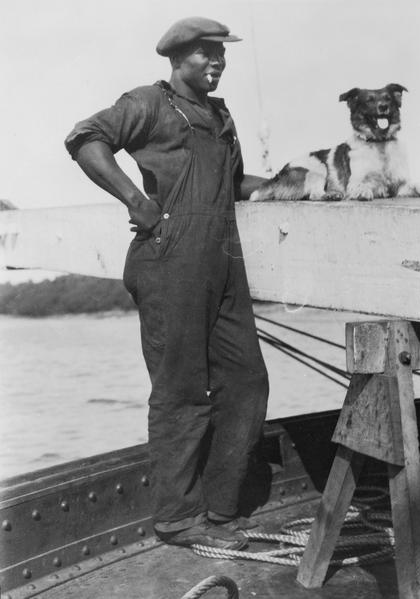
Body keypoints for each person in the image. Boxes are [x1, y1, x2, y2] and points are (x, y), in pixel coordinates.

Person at [65, 16, 269, 550]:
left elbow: (234, 182)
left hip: (224, 264)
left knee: (246, 381)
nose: (219, 63)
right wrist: (137, 201)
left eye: (223, 55)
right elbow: (85, 137)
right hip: (168, 263)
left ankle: (222, 512)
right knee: (181, 390)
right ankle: (179, 519)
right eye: (208, 54)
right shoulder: (149, 103)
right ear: (178, 57)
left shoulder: (219, 113)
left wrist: (292, 183)